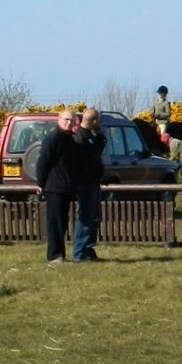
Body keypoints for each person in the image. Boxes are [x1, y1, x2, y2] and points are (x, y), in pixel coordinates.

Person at [34, 109, 80, 264]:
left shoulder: (70, 138)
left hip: (66, 187)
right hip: (54, 187)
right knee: (55, 222)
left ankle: (61, 254)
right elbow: (43, 162)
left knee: (62, 222)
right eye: (66, 119)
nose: (69, 122)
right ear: (59, 119)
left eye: (72, 120)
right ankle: (54, 255)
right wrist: (40, 182)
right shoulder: (52, 138)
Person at [70, 106, 106, 261]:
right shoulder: (80, 137)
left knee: (94, 217)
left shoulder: (90, 136)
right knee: (85, 216)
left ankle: (88, 249)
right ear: (95, 121)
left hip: (93, 182)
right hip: (85, 183)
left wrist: (100, 134)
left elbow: (98, 149)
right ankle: (80, 252)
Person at [152, 85, 177, 158]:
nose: (160, 95)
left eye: (161, 93)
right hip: (156, 122)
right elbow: (154, 111)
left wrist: (159, 115)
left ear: (164, 94)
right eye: (159, 93)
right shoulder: (156, 102)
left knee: (162, 135)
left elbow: (168, 114)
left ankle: (163, 148)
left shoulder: (166, 103)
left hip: (163, 122)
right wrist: (153, 115)